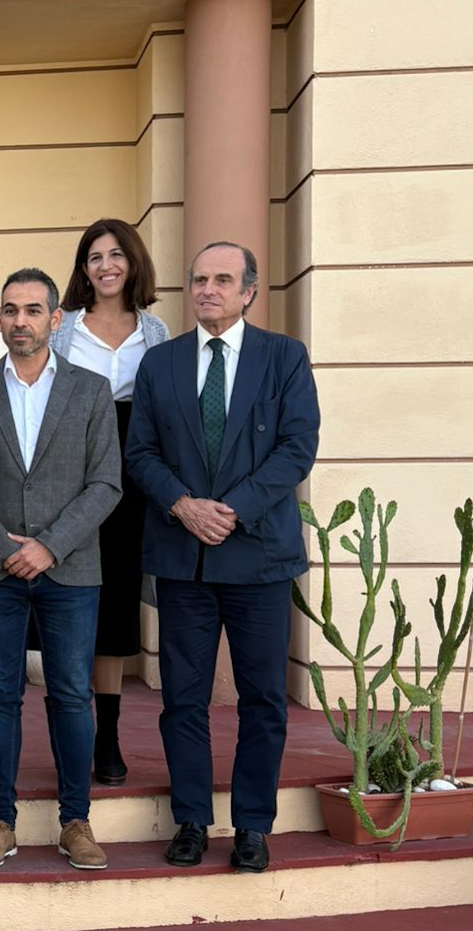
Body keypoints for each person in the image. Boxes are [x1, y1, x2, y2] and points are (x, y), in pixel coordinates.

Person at [127, 241, 320, 873]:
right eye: (199, 279)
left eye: (222, 279)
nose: (207, 288)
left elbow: (296, 448)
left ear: (248, 292)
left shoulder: (284, 358)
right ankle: (190, 820)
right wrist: (185, 505)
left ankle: (253, 825)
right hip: (184, 557)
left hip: (258, 556)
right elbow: (140, 454)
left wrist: (230, 508)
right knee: (183, 697)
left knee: (262, 698)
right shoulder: (160, 364)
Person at [0, 268, 121, 871]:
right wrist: (3, 544)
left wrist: (49, 546)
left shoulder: (90, 390)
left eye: (32, 310)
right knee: (0, 696)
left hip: (72, 569)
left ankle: (75, 821)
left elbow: (107, 483)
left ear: (57, 319)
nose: (19, 321)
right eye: (9, 310)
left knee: (72, 696)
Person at [51, 218, 170, 785]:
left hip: (133, 475)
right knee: (71, 597)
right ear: (83, 269)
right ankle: (66, 723)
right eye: (94, 256)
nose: (105, 265)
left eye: (115, 254)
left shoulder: (157, 331)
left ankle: (109, 735)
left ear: (133, 262)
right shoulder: (62, 329)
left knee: (117, 604)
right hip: (71, 470)